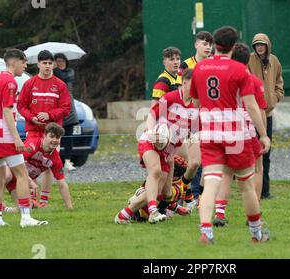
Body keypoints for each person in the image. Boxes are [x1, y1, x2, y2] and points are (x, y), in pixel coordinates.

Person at [190, 26, 271, 244]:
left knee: (211, 182)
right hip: (236, 136)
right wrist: (263, 135)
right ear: (234, 46)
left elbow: (196, 103)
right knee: (246, 185)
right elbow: (252, 106)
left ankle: (206, 231)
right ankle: (256, 233)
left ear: (215, 43)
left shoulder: (200, 68)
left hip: (210, 134)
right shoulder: (239, 70)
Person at [115, 68, 198, 224]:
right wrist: (152, 131)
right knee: (156, 172)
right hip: (151, 141)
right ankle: (153, 211)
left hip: (167, 152)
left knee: (160, 191)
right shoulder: (172, 97)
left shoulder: (194, 108)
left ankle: (124, 214)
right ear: (185, 82)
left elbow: (189, 132)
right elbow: (152, 115)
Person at [0, 49, 47, 227]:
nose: (25, 66)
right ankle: (26, 218)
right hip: (4, 133)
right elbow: (6, 110)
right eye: (24, 62)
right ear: (14, 62)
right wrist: (17, 138)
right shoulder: (10, 82)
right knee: (22, 174)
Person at [212, 42, 268, 227]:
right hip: (247, 129)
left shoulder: (222, 78)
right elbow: (258, 110)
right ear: (248, 59)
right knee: (257, 169)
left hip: (226, 128)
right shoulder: (252, 80)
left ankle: (220, 213)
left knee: (227, 172)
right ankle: (254, 212)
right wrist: (264, 134)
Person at [18, 50, 71, 207]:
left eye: (50, 63)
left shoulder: (60, 85)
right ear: (38, 64)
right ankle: (31, 197)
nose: (47, 66)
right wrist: (31, 117)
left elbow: (66, 108)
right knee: (30, 163)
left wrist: (49, 115)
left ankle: (44, 201)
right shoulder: (30, 83)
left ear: (53, 65)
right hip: (34, 130)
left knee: (49, 166)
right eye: (44, 63)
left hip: (53, 132)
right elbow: (21, 105)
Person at [0, 122, 73, 210]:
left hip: (21, 181)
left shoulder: (55, 159)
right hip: (13, 171)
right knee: (6, 175)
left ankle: (5, 209)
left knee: (27, 209)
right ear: (44, 136)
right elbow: (14, 164)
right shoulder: (33, 144)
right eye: (52, 136)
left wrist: (69, 207)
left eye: (57, 137)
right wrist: (31, 182)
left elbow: (62, 184)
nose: (54, 140)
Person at [177, 31, 213, 208]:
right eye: (204, 43)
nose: (207, 47)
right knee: (191, 157)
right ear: (196, 45)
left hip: (208, 115)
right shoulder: (186, 65)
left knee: (207, 156)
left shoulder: (213, 64)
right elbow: (180, 90)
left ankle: (201, 195)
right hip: (191, 116)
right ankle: (189, 194)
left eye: (209, 44)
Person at [248, 33, 284, 200]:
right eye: (257, 45)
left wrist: (275, 97)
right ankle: (248, 188)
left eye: (262, 44)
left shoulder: (274, 61)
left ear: (268, 45)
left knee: (266, 152)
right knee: (250, 152)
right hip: (252, 113)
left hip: (268, 113)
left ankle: (265, 191)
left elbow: (279, 82)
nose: (260, 47)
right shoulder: (248, 60)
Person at [53, 53, 79, 171]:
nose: (61, 63)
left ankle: (68, 162)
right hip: (56, 108)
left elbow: (64, 77)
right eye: (58, 61)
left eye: (62, 61)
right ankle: (55, 161)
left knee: (68, 137)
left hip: (69, 109)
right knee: (55, 137)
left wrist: (55, 69)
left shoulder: (70, 72)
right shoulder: (52, 75)